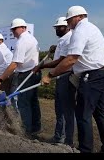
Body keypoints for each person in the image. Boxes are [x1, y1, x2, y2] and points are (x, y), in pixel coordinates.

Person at [42, 6, 104, 153]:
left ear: (78, 17)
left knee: (82, 113)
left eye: (69, 20)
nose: (68, 23)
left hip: (92, 76)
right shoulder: (92, 28)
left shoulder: (80, 30)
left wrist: (50, 75)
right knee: (100, 113)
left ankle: (85, 149)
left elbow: (71, 59)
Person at [0, 18, 42, 137]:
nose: (13, 32)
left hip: (26, 74)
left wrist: (0, 79)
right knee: (33, 102)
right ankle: (36, 128)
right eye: (12, 30)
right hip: (33, 72)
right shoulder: (31, 38)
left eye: (15, 29)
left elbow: (15, 63)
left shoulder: (22, 41)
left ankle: (27, 131)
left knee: (24, 104)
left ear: (23, 28)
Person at [33, 17, 76, 146]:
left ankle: (62, 139)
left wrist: (43, 66)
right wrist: (54, 48)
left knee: (64, 109)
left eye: (60, 27)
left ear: (67, 27)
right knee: (61, 109)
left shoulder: (68, 38)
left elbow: (61, 61)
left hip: (65, 76)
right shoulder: (64, 39)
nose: (57, 29)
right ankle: (61, 137)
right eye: (56, 28)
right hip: (62, 76)